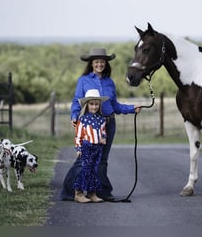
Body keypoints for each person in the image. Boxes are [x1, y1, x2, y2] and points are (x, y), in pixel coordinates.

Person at [60, 48, 141, 201]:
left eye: (102, 62)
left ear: (106, 63)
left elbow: (115, 105)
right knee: (84, 158)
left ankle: (101, 191)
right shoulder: (83, 80)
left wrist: (131, 109)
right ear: (91, 63)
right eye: (96, 61)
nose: (99, 64)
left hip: (108, 123)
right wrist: (74, 116)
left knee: (102, 159)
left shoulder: (109, 82)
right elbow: (76, 101)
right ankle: (70, 191)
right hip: (89, 124)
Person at [73, 89, 108, 203]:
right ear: (87, 105)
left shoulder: (101, 119)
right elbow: (78, 136)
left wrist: (103, 138)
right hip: (87, 147)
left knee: (94, 170)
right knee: (85, 170)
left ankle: (92, 193)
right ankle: (78, 193)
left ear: (99, 105)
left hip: (97, 148)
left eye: (96, 104)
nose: (94, 107)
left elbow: (103, 131)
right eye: (91, 104)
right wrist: (78, 148)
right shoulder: (83, 119)